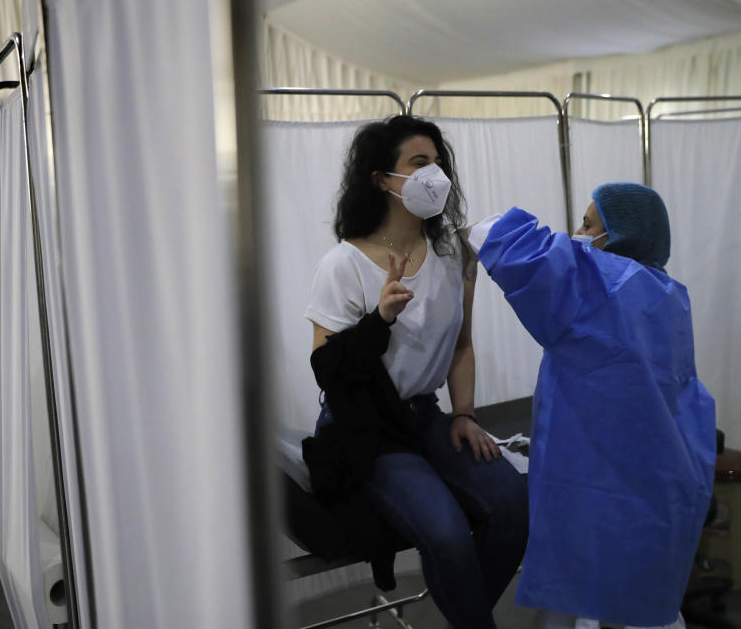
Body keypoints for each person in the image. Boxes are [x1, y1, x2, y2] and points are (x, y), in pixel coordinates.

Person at [303, 115, 529, 629]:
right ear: (383, 179)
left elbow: (462, 347)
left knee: (516, 506)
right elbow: (328, 371)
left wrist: (465, 414)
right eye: (419, 163)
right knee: (446, 533)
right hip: (365, 427)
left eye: (439, 163)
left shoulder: (454, 254)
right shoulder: (344, 264)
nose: (436, 176)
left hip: (425, 415)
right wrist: (378, 319)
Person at [465, 183, 716, 629]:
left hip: (597, 477)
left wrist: (464, 229)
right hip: (662, 470)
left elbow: (525, 255)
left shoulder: (603, 283)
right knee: (632, 593)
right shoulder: (666, 292)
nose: (576, 232)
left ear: (622, 234)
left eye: (588, 224)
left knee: (578, 585)